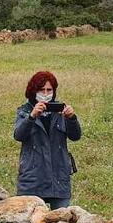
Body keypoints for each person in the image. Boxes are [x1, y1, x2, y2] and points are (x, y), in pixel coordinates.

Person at [12, 70, 81, 209]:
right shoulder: (24, 111)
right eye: (41, 90)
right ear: (33, 91)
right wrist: (32, 117)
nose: (45, 94)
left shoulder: (61, 111)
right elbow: (18, 135)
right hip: (32, 180)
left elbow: (76, 136)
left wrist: (72, 118)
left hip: (59, 180)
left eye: (49, 90)